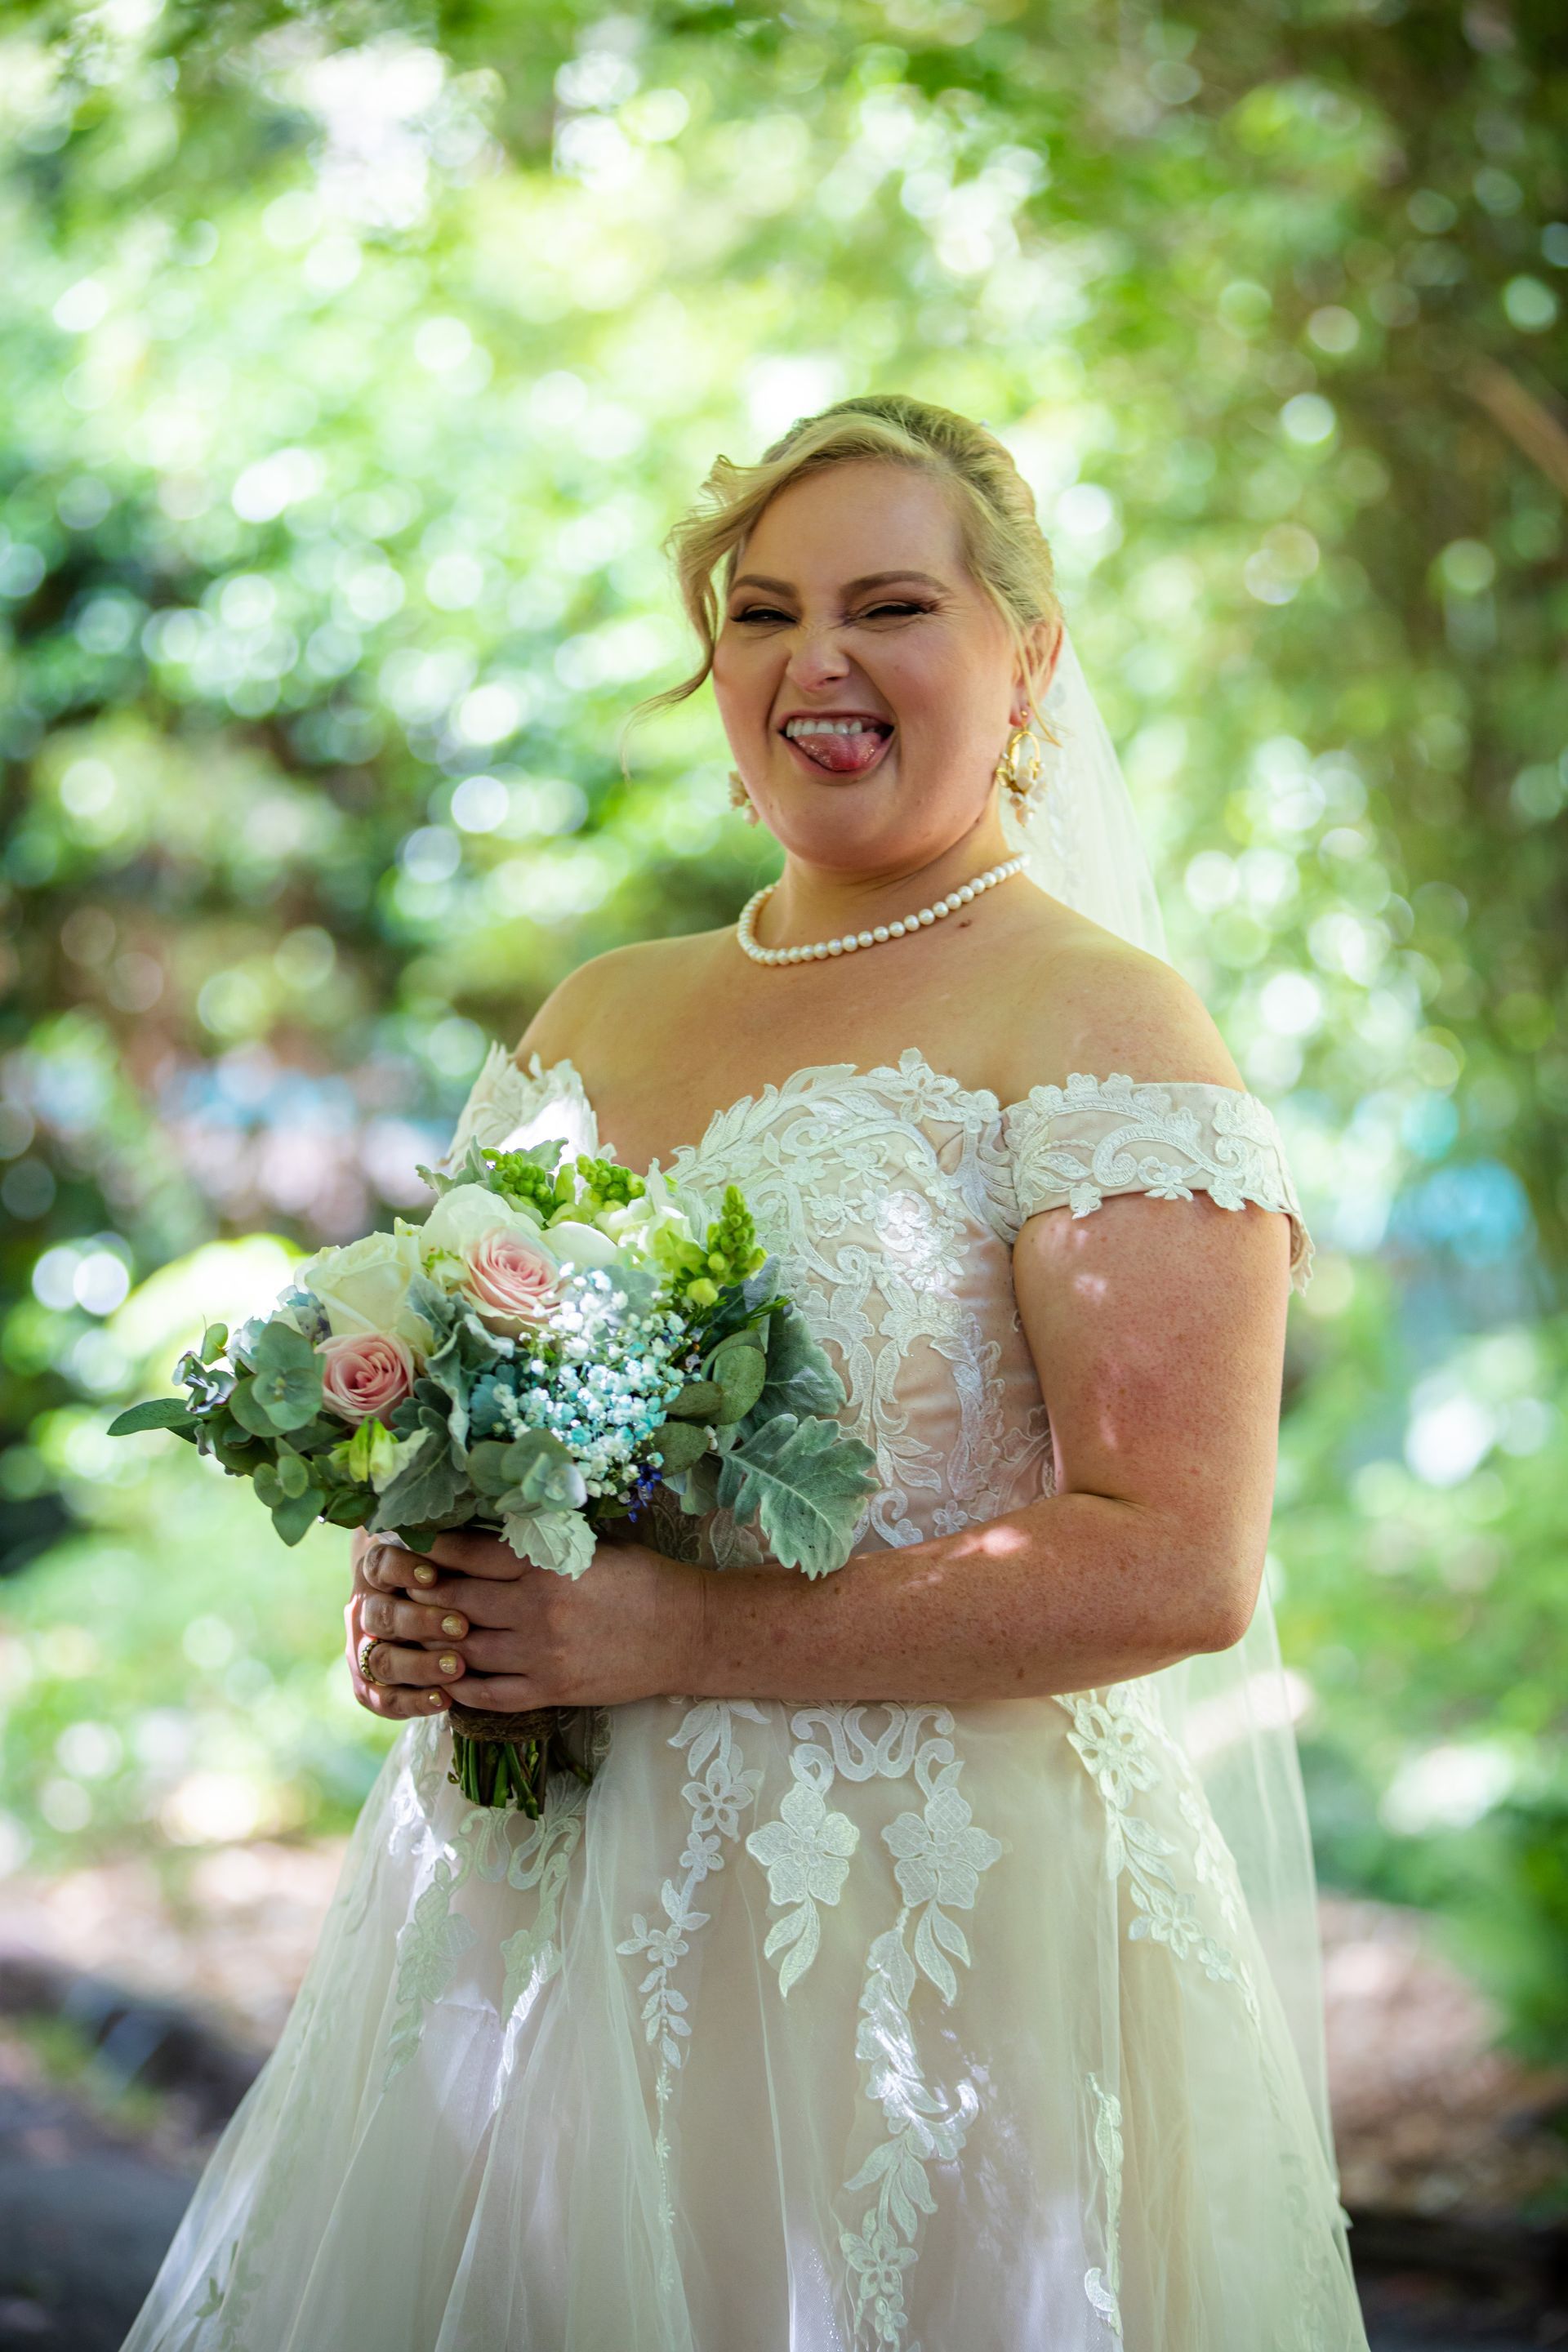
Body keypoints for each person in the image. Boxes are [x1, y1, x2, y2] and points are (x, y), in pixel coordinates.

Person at [122, 395, 1370, 2350]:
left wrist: (665, 1636)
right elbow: (494, 1438)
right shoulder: (599, 1006)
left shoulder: (1102, 1019)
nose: (818, 662)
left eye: (892, 606)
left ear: (1026, 658)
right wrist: (428, 1596)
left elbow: (1177, 1565)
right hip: (536, 1925)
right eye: (763, 612)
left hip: (926, 1945)